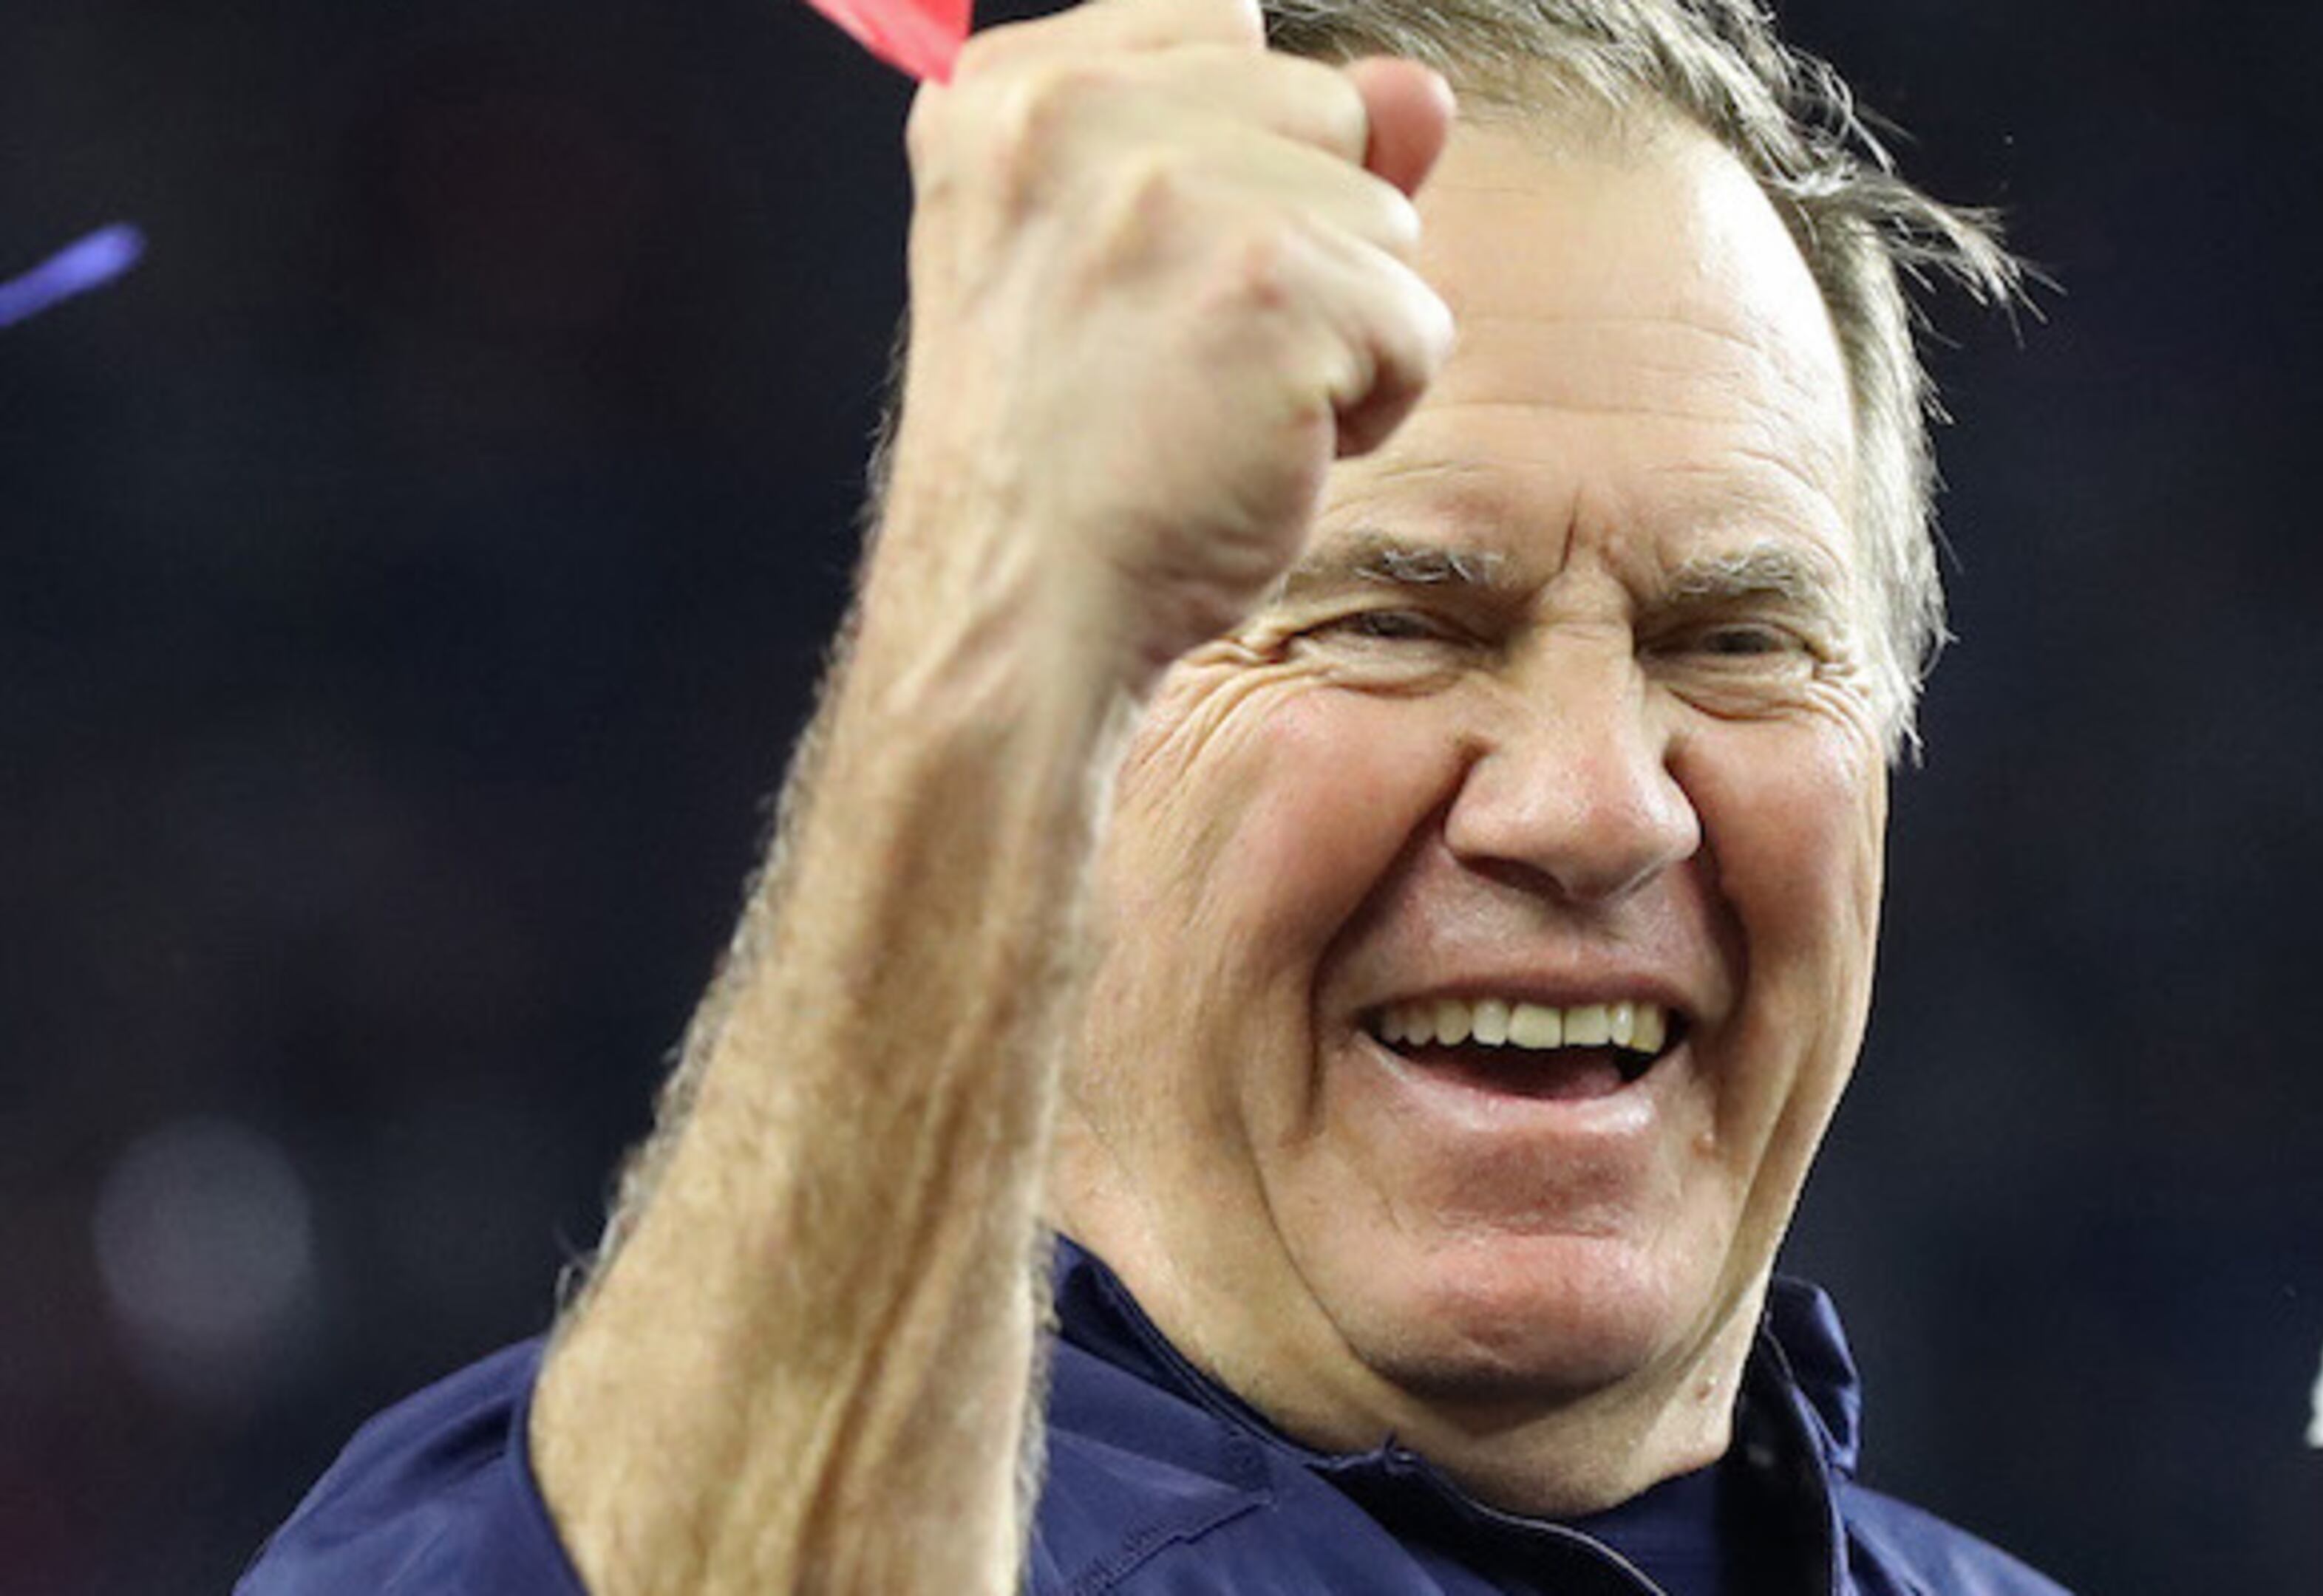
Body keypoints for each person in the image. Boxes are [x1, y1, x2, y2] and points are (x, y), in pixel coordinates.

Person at [239, 0, 2064, 1589]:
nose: (1595, 806)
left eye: (1735, 640)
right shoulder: (594, 1526)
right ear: (1065, 752)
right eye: (1396, 622)